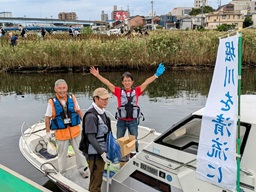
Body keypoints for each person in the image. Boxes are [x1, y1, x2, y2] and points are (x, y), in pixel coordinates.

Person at [90, 63, 165, 152]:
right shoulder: (118, 91)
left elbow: (146, 82)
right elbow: (108, 83)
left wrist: (156, 75)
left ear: (132, 82)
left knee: (134, 141)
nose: (127, 82)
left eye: (129, 80)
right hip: (121, 121)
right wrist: (98, 75)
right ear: (122, 82)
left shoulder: (137, 91)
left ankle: (134, 155)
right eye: (125, 81)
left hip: (133, 122)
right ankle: (120, 156)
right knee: (119, 141)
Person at [45, 79, 89, 178]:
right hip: (61, 134)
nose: (62, 90)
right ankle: (63, 174)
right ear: (55, 89)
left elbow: (78, 111)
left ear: (67, 88)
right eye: (59, 88)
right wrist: (47, 132)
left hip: (75, 131)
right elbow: (47, 117)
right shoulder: (52, 102)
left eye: (64, 88)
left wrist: (85, 123)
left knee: (80, 152)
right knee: (62, 155)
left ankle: (82, 170)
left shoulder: (72, 97)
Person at [80, 87, 111, 192]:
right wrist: (102, 154)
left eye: (107, 98)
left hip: (101, 151)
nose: (106, 101)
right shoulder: (91, 116)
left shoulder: (102, 112)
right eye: (103, 99)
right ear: (96, 99)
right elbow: (91, 137)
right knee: (96, 181)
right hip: (94, 155)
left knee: (98, 177)